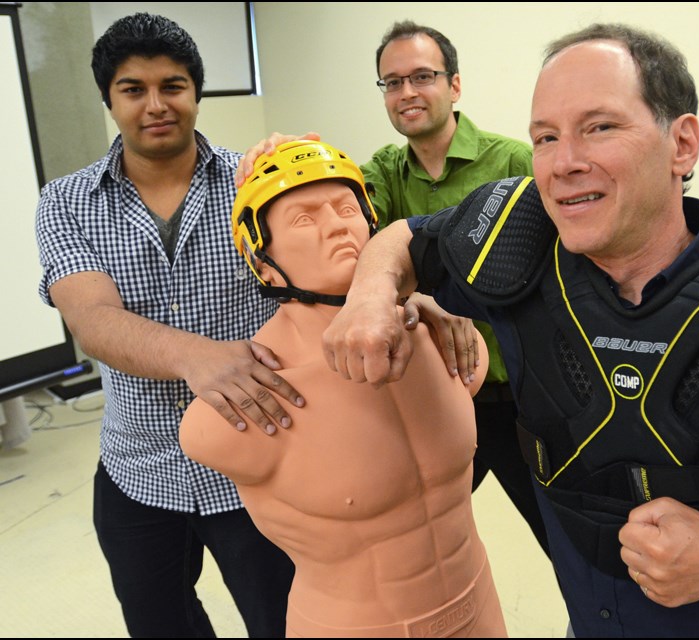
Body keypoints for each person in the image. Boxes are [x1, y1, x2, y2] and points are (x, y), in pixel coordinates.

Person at [319, 23, 699, 637]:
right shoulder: (518, 252)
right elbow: (405, 239)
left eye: (600, 127)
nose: (564, 163)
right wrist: (371, 296)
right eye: (545, 137)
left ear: (682, 144)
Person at [33, 12, 469, 638]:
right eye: (134, 89)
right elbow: (92, 319)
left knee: (283, 622)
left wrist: (397, 299)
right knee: (159, 623)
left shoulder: (257, 182)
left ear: (196, 93)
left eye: (173, 86)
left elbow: (343, 261)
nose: (156, 105)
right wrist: (197, 357)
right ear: (109, 98)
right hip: (138, 466)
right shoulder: (68, 201)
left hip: (271, 458)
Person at [238, 20, 552, 561]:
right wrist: (281, 158)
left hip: (525, 395)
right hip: (437, 394)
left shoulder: (514, 163)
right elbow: (347, 241)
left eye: (422, 77)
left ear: (454, 85)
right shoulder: (383, 171)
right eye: (392, 82)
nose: (406, 92)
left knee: (568, 546)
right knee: (414, 543)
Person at [180, 140, 506, 638]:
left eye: (347, 209)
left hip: (478, 606)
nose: (337, 225)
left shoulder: (448, 343)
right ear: (262, 262)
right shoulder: (231, 414)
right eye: (305, 219)